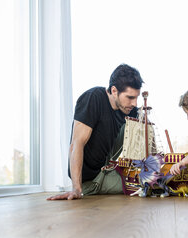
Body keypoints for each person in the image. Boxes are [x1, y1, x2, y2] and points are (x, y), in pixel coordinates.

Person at [47, 64, 143, 200]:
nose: (134, 102)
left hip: (105, 163)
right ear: (114, 91)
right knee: (144, 182)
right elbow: (76, 144)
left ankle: (116, 167)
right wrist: (76, 189)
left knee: (138, 119)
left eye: (136, 97)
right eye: (130, 97)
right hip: (92, 179)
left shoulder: (128, 108)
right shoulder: (92, 98)